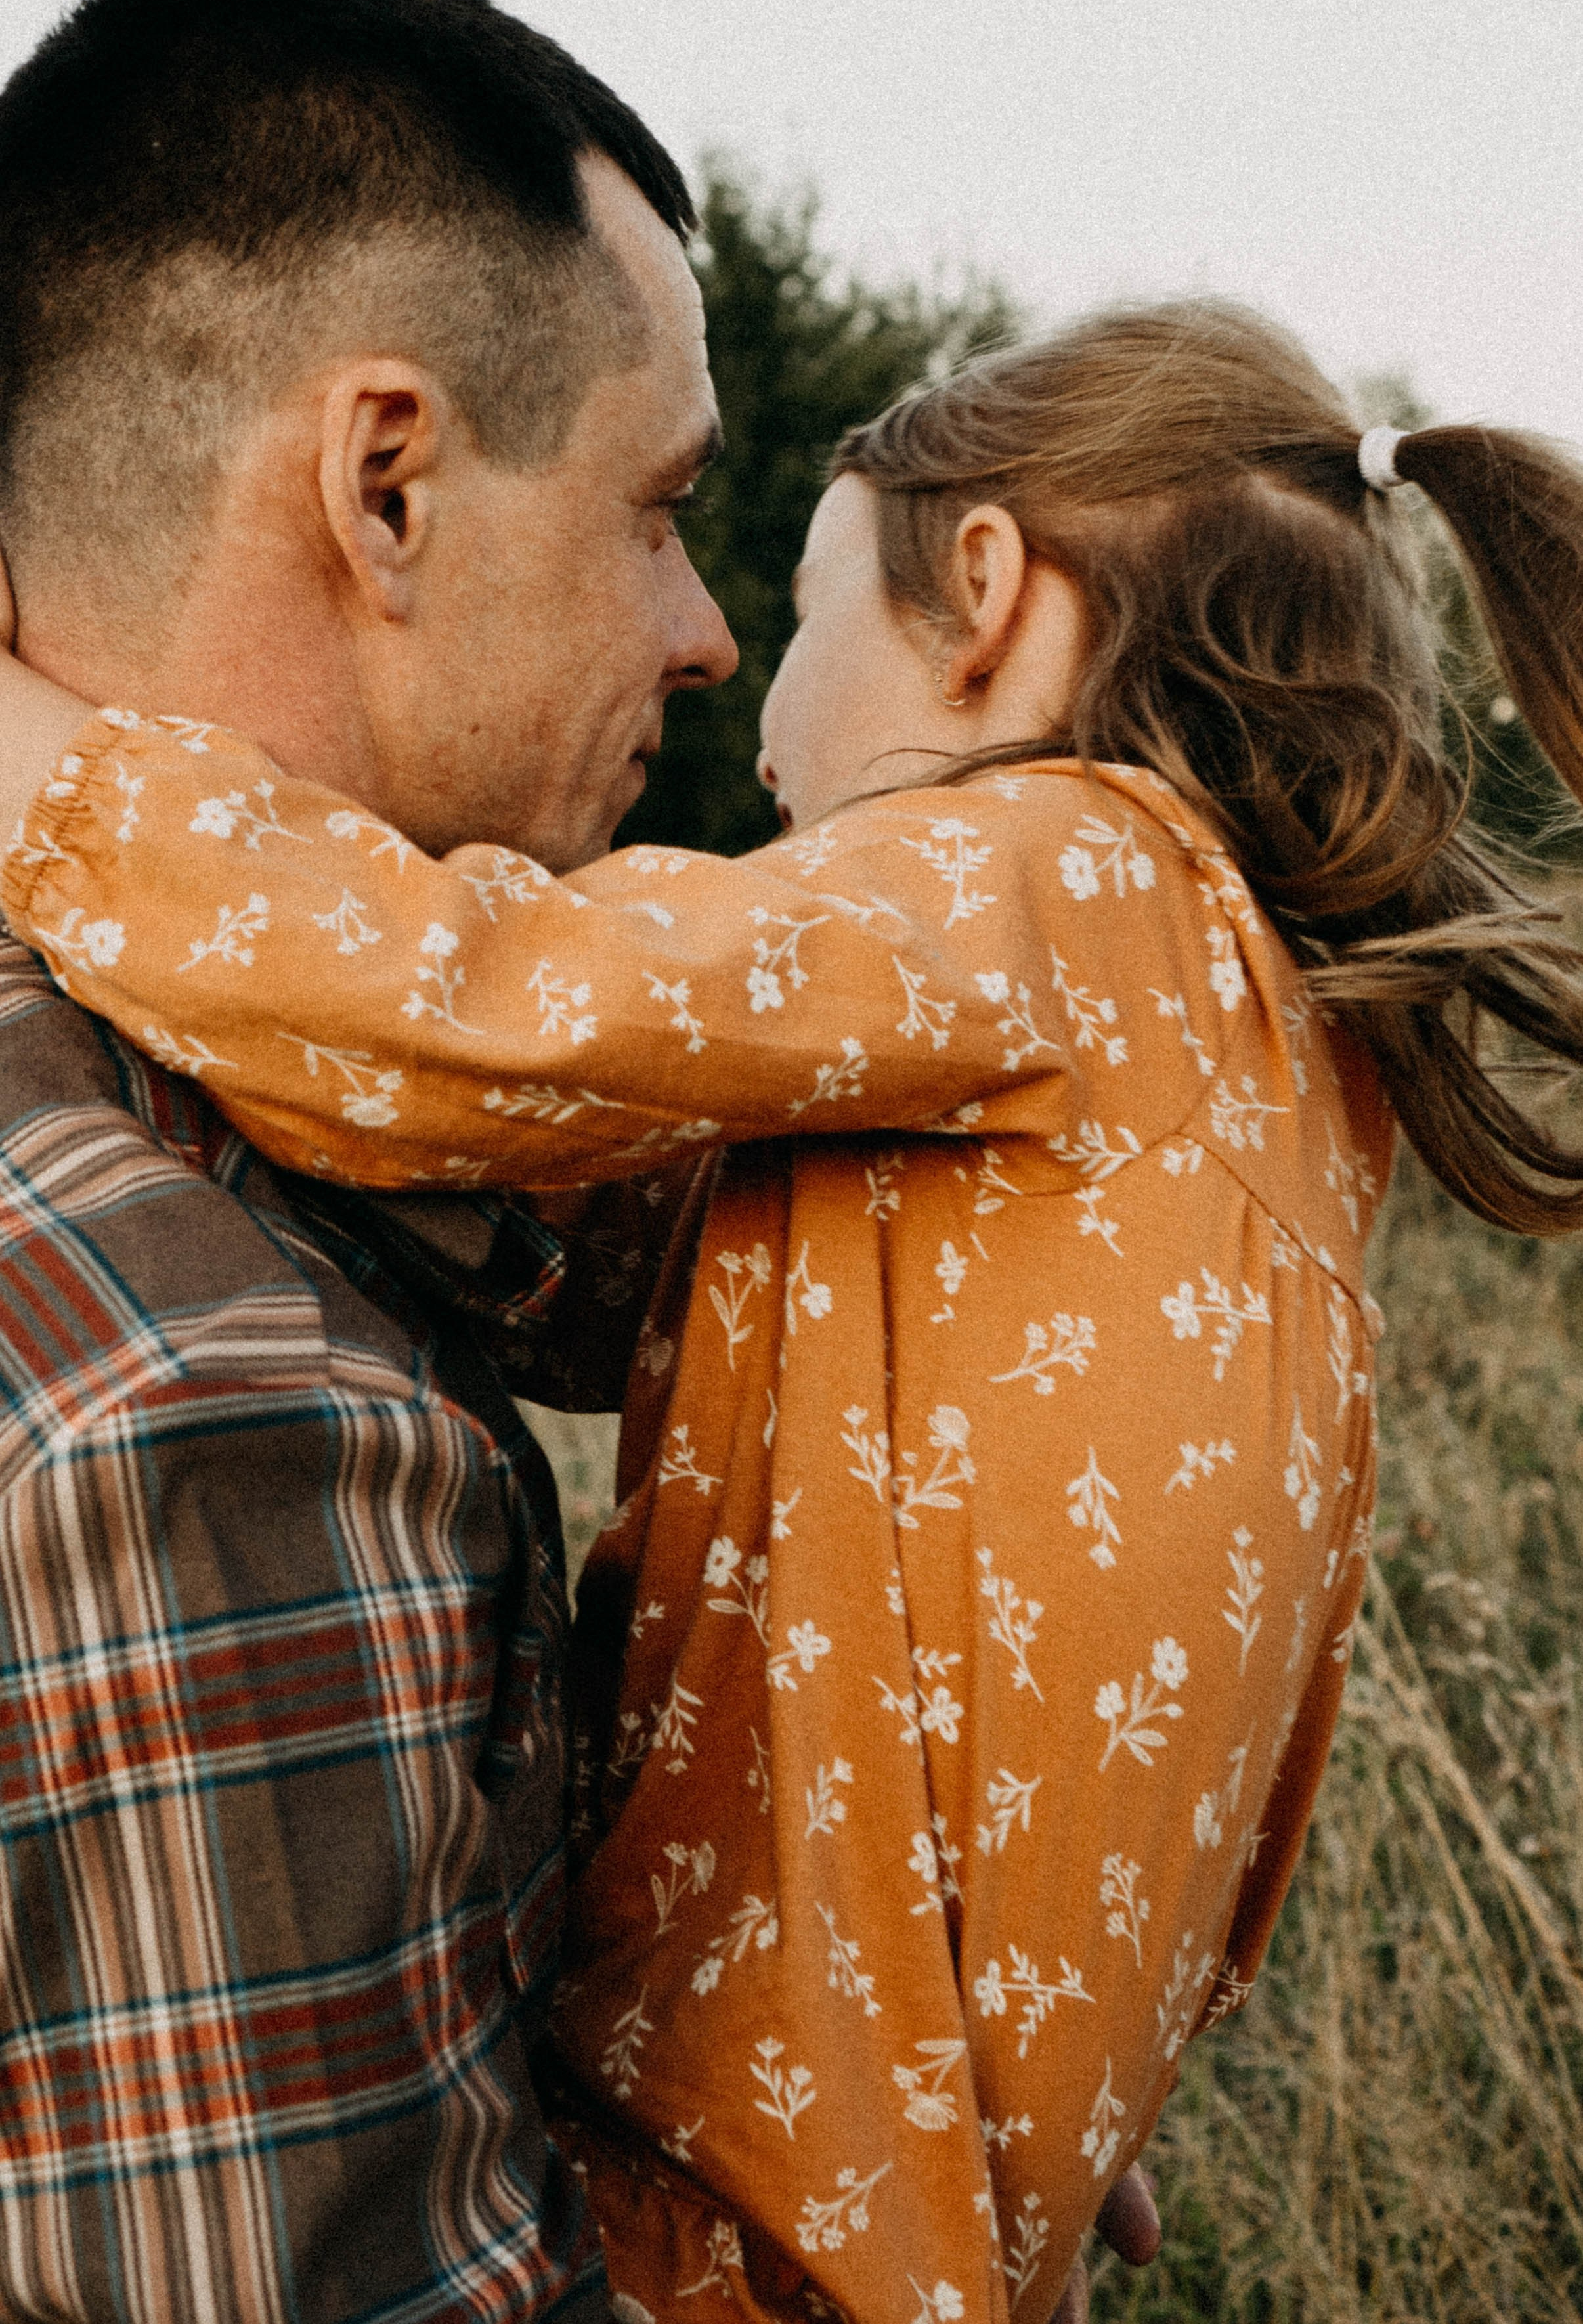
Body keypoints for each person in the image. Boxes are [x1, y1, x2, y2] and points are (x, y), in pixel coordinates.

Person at [11, 303, 1583, 2319]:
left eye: (805, 591)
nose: (743, 673)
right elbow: (643, 1279)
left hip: (704, 2214)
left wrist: (49, 770)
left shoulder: (1059, 872)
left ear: (987, 602)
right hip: (901, 2221)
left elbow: (478, 1005)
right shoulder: (1247, 1062)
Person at [0, 0, 1160, 2317]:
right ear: (385, 484)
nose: (714, 634)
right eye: (659, 507)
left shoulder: (207, 1157)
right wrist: (900, 2237)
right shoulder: (215, 1409)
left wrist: (827, 2044)